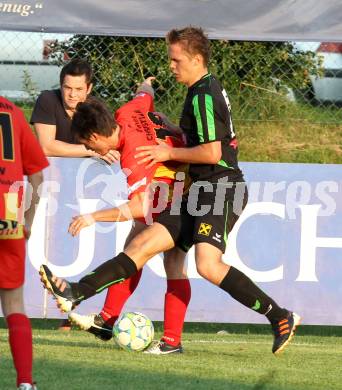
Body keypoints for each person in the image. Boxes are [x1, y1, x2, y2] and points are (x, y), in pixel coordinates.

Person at [39, 27, 300, 356]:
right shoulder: (138, 109)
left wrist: (167, 153)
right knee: (146, 245)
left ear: (195, 59)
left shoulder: (199, 98)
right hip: (193, 190)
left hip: (219, 186)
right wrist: (147, 84)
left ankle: (280, 316)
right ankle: (83, 295)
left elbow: (211, 154)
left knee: (206, 264)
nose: (171, 65)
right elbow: (143, 94)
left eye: (175, 60)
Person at [50, 77, 192, 354]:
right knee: (135, 249)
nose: (92, 152)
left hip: (184, 192)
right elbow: (144, 94)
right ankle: (108, 319)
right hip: (171, 186)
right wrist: (148, 83)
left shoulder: (134, 158)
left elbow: (140, 207)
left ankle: (171, 340)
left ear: (94, 136)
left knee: (169, 261)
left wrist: (93, 217)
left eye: (89, 147)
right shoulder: (127, 112)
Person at [31, 58, 119, 330]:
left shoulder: (96, 110)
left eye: (79, 89)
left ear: (88, 88)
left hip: (90, 191)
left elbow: (113, 142)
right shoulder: (47, 101)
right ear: (61, 86)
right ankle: (56, 313)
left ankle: (88, 313)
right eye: (67, 88)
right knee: (54, 250)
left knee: (98, 252)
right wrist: (92, 150)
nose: (72, 94)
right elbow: (46, 146)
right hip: (52, 189)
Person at [0, 96, 49, 390]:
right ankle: (26, 383)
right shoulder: (13, 111)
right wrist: (28, 219)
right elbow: (38, 175)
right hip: (8, 209)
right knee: (14, 302)